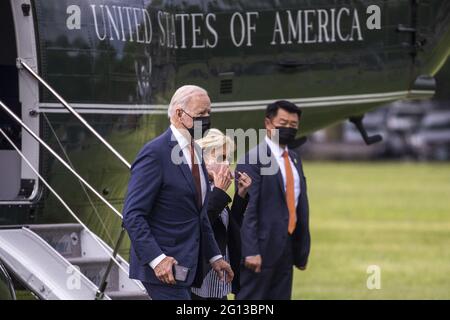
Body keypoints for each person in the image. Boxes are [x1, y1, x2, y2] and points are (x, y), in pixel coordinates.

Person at [122, 85, 233, 300]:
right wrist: (157, 259)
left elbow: (199, 215)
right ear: (179, 114)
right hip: (163, 270)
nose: (207, 119)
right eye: (201, 114)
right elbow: (133, 214)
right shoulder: (155, 153)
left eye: (209, 113)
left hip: (187, 267)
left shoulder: (196, 152)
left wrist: (215, 257)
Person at [236, 100, 311, 300]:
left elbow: (300, 205)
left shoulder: (294, 158)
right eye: (283, 123)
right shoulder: (253, 159)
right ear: (268, 124)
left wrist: (302, 250)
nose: (288, 129)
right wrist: (250, 251)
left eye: (293, 125)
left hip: (286, 249)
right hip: (260, 250)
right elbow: (246, 208)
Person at [191, 129, 252, 300]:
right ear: (201, 159)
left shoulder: (214, 187)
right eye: (221, 157)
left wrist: (240, 195)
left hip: (218, 281)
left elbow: (227, 228)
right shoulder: (193, 187)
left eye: (229, 159)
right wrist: (218, 192)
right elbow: (200, 225)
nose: (227, 164)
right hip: (199, 279)